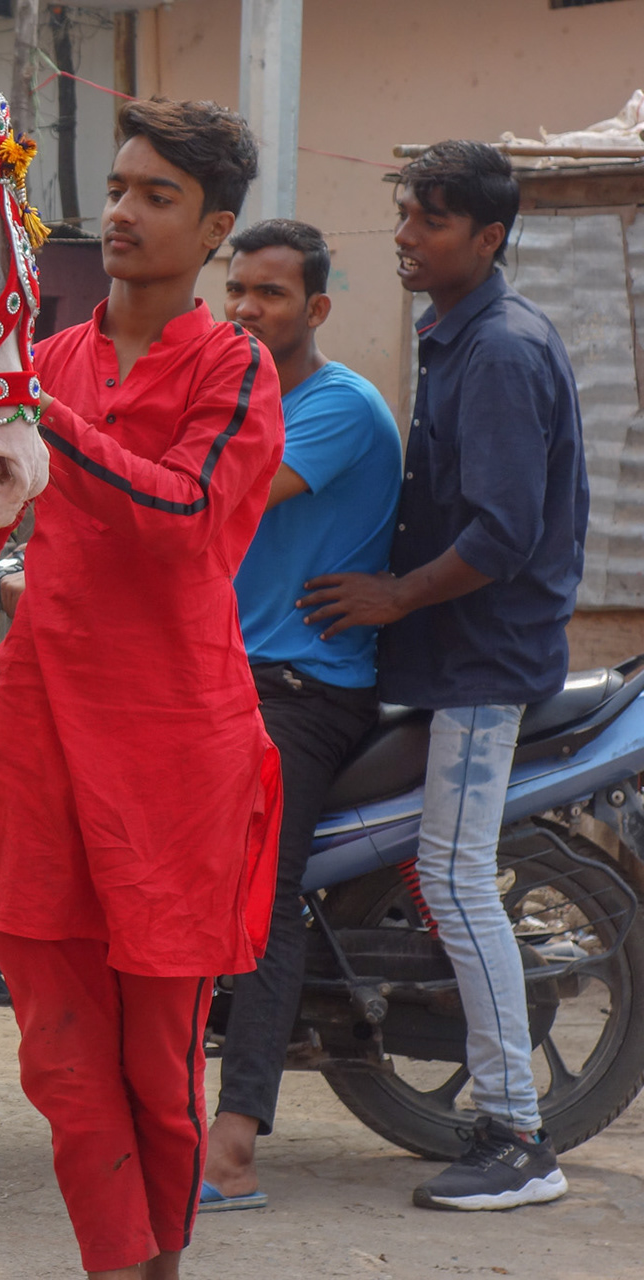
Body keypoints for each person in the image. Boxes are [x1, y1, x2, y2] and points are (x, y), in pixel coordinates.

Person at [0, 98, 282, 1279]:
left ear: (216, 229)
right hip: (37, 741)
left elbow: (186, 523)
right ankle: (120, 1262)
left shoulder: (234, 367)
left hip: (172, 755)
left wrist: (46, 420)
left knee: (157, 1067)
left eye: (158, 197)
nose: (126, 212)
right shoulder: (49, 360)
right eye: (122, 188)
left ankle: (157, 1257)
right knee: (59, 1050)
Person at [298, 139, 586, 1212]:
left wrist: (391, 595)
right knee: (437, 873)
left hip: (482, 659)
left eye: (430, 220)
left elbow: (503, 533)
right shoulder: (459, 335)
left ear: (489, 236)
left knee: (460, 878)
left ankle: (521, 1136)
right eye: (407, 215)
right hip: (451, 651)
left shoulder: (502, 350)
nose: (407, 237)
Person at [198, 220, 401, 1212]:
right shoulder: (243, 391)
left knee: (258, 895)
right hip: (230, 672)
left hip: (302, 689)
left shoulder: (335, 407)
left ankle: (232, 1145)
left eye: (269, 294)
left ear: (315, 309)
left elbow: (220, 498)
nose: (245, 309)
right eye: (236, 290)